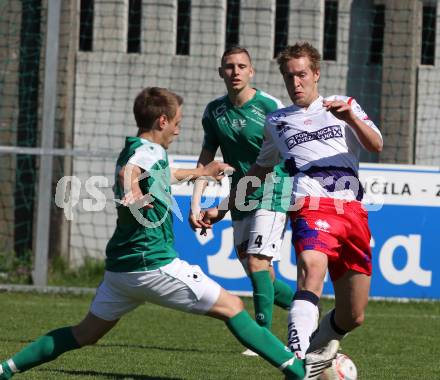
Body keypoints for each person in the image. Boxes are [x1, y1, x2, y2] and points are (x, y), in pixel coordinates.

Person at [0, 87, 306, 380]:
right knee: (233, 307)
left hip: (121, 271)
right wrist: (132, 192)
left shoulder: (142, 149)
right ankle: (297, 371)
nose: (177, 130)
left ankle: (7, 368)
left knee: (85, 333)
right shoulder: (144, 153)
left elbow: (162, 173)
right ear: (162, 121)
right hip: (153, 264)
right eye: (176, 123)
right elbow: (129, 171)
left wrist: (201, 172)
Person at [200, 42, 383, 376]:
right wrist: (223, 208)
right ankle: (296, 362)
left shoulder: (344, 106)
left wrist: (352, 119)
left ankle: (316, 352)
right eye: (289, 76)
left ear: (315, 74)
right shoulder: (278, 121)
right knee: (311, 269)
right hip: (309, 205)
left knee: (353, 315)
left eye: (301, 75)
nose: (295, 83)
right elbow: (258, 171)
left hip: (353, 210)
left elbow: (376, 144)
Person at [189, 47, 295, 347]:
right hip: (240, 195)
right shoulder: (214, 112)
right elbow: (206, 160)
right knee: (260, 273)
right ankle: (306, 305)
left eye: (241, 66)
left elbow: (281, 156)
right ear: (221, 71)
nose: (235, 71)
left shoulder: (269, 106)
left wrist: (220, 208)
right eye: (229, 66)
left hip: (274, 189)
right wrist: (196, 205)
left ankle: (262, 339)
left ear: (252, 72)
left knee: (258, 262)